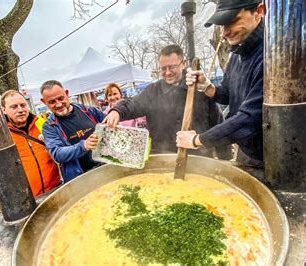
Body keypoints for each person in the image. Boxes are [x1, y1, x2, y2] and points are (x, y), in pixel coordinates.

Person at [179, 0, 266, 180]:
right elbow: (227, 95)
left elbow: (249, 119)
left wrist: (197, 140)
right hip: (245, 149)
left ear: (259, 11)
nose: (225, 32)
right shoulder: (237, 54)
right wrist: (207, 86)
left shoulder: (270, 56)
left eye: (232, 21)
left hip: (270, 155)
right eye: (222, 25)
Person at [104, 45, 232, 159]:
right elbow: (132, 104)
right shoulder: (153, 91)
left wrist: (225, 158)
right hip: (162, 159)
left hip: (200, 159)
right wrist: (117, 111)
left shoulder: (201, 88)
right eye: (163, 69)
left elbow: (218, 124)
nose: (167, 73)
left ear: (183, 63)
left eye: (172, 67)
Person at [41, 80, 106, 183]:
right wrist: (84, 145)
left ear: (66, 94)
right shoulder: (49, 127)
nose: (58, 104)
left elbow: (109, 126)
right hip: (81, 180)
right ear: (44, 102)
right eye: (52, 102)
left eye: (61, 98)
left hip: (107, 169)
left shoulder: (88, 111)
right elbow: (57, 154)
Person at [1, 90, 61, 197]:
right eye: (14, 107)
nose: (21, 110)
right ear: (3, 110)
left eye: (23, 105)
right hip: (27, 197)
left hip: (55, 188)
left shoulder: (42, 124)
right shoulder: (2, 135)